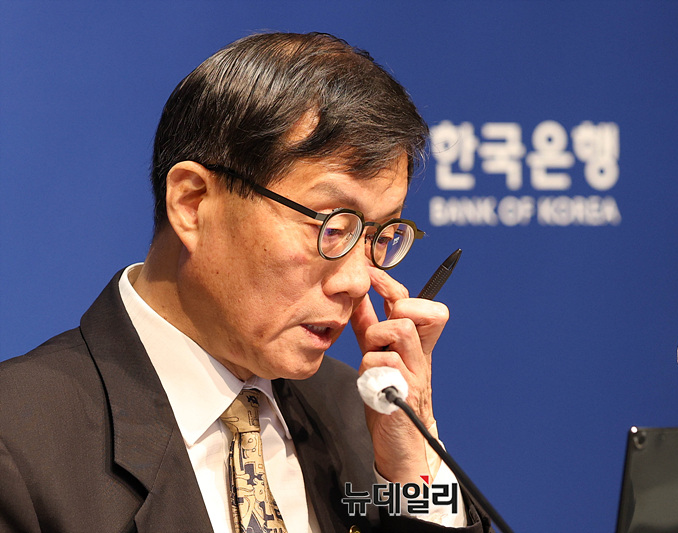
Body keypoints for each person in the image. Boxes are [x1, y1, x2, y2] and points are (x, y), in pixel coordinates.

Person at [0, 32, 491, 533]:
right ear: (193, 203)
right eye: (331, 226)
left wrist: (411, 471)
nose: (356, 280)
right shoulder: (17, 441)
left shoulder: (361, 413)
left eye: (378, 235)